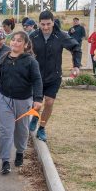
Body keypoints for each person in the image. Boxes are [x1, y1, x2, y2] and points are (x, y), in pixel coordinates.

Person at [0, 31, 43, 175]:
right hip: (4, 99)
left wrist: (38, 99)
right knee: (5, 131)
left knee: (21, 130)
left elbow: (37, 80)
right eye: (13, 40)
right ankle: (5, 161)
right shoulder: (4, 59)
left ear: (26, 44)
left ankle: (20, 152)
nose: (15, 42)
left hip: (24, 100)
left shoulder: (30, 61)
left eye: (19, 41)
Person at [29, 10, 82, 141]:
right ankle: (35, 117)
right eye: (43, 24)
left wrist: (76, 65)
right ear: (39, 24)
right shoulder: (33, 36)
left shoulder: (61, 36)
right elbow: (25, 51)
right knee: (37, 104)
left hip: (54, 76)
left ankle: (42, 128)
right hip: (37, 76)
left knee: (49, 102)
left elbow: (76, 48)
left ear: (53, 22)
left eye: (48, 24)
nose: (46, 27)